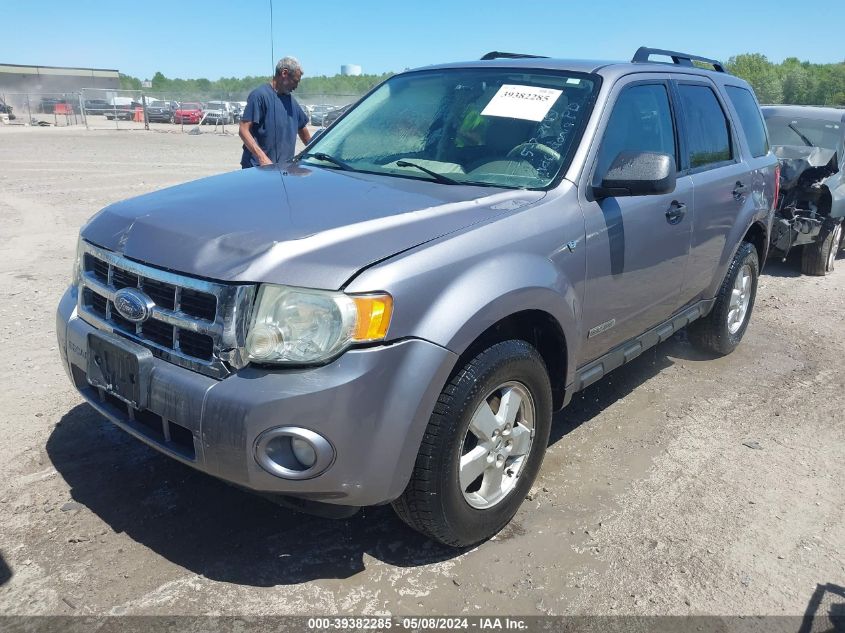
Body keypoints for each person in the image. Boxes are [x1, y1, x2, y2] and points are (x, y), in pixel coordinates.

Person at [239, 56, 312, 168]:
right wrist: (262, 158)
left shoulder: (292, 102)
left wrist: (315, 151)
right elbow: (243, 130)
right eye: (295, 81)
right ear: (284, 73)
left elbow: (302, 129)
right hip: (258, 169)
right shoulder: (259, 96)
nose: (296, 86)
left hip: (282, 171)